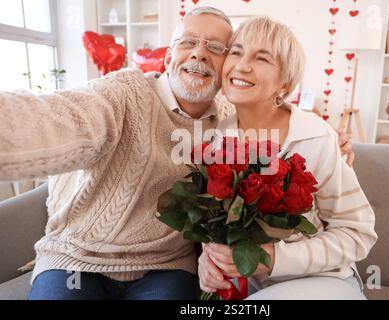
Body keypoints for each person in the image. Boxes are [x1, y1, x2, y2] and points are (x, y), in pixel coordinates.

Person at [0, 7, 353, 300]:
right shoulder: (124, 93)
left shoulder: (230, 122)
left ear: (223, 70)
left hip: (165, 266)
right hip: (75, 259)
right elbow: (63, 119)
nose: (199, 52)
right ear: (169, 57)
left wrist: (320, 136)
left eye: (215, 47)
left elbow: (271, 103)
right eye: (188, 42)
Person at [198, 16, 377, 300]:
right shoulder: (217, 138)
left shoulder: (316, 137)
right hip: (255, 289)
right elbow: (218, 227)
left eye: (262, 58)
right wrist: (208, 260)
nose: (242, 65)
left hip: (325, 281)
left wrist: (272, 258)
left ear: (285, 84)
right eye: (236, 51)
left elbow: (357, 234)